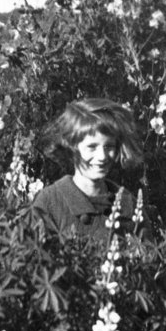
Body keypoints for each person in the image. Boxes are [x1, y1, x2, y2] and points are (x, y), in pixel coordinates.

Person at [32, 98, 147, 241]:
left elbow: (148, 259)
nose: (102, 156)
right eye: (92, 147)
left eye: (109, 146)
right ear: (71, 147)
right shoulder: (50, 202)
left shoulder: (128, 205)